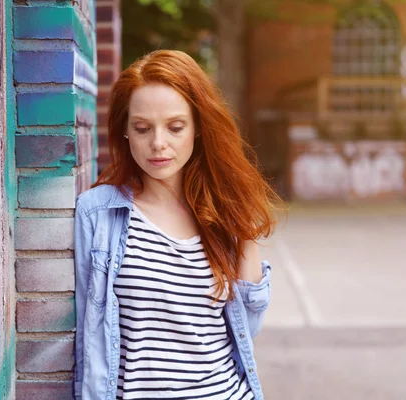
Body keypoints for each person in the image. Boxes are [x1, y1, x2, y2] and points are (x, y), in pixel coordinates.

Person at [74, 50, 282, 400]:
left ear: (198, 128)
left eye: (175, 127)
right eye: (142, 128)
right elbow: (82, 336)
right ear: (125, 130)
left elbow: (249, 326)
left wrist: (243, 229)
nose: (158, 143)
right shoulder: (98, 214)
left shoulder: (223, 213)